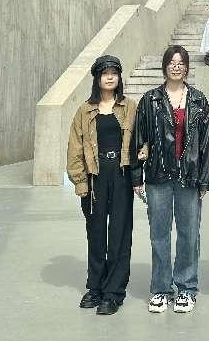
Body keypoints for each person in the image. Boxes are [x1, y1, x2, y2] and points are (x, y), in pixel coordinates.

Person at [135, 45, 209, 314]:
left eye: (181, 62)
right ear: (165, 66)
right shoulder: (150, 100)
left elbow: (205, 144)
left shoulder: (199, 100)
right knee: (159, 234)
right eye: (171, 62)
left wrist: (204, 179)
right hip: (158, 176)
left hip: (189, 177)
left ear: (187, 67)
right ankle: (160, 289)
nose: (176, 66)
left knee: (189, 234)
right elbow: (139, 138)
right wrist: (137, 177)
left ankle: (187, 288)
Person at [66, 55, 142, 315]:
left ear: (119, 77)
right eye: (104, 73)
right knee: (96, 232)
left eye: (114, 73)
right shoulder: (84, 110)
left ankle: (113, 292)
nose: (109, 77)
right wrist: (80, 182)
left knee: (119, 234)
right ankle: (96, 287)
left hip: (120, 174)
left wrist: (140, 166)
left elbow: (140, 139)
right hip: (94, 177)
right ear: (97, 78)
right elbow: (75, 148)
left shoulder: (130, 107)